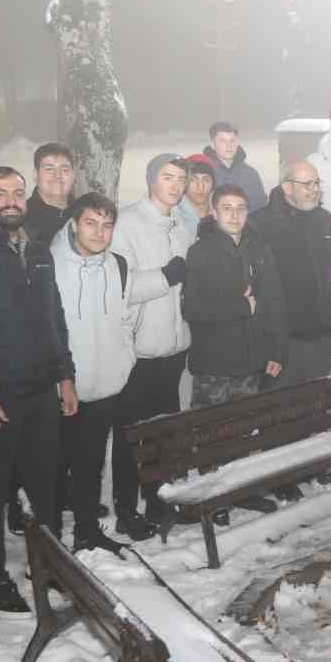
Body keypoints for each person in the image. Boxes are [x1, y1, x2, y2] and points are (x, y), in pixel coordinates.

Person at [0, 167, 77, 614]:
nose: (10, 200)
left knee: (46, 487)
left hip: (42, 389)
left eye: (17, 193)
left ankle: (50, 566)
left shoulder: (38, 248)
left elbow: (54, 316)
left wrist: (66, 375)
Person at [108, 154, 194, 540]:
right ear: (150, 180)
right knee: (131, 437)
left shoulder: (183, 223)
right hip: (139, 351)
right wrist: (166, 276)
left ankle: (159, 502)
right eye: (166, 177)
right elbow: (118, 288)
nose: (175, 186)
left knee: (163, 434)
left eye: (180, 179)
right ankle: (126, 510)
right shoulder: (127, 224)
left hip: (174, 347)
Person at [49, 193, 137, 554]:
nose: (100, 232)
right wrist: (58, 377)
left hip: (107, 382)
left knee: (90, 465)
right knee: (54, 469)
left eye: (107, 225)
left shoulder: (117, 265)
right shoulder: (50, 265)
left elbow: (125, 318)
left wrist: (124, 359)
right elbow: (45, 327)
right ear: (73, 223)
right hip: (64, 386)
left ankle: (87, 531)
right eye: (91, 223)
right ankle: (51, 545)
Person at [183, 185, 288, 414]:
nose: (234, 215)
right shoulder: (200, 252)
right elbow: (191, 309)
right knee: (210, 438)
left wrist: (277, 351)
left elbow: (275, 302)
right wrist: (240, 306)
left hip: (252, 365)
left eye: (241, 209)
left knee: (247, 435)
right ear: (214, 213)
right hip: (214, 367)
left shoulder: (260, 250)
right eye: (227, 208)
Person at [254, 160, 331, 388]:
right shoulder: (261, 224)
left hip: (320, 336)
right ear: (287, 187)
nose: (314, 190)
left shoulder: (324, 220)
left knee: (316, 409)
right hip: (282, 342)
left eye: (316, 183)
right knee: (280, 412)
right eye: (306, 184)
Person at [204, 121, 267, 210]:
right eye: (223, 141)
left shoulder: (251, 173)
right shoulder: (205, 172)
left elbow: (261, 207)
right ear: (212, 145)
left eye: (232, 141)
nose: (229, 146)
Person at [24, 142, 76, 245]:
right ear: (35, 175)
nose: (57, 175)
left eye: (64, 170)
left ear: (73, 176)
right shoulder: (21, 218)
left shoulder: (85, 213)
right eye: (49, 169)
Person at [178, 153, 218, 230]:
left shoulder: (222, 218)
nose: (200, 187)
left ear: (213, 184)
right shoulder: (174, 219)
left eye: (206, 180)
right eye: (193, 180)